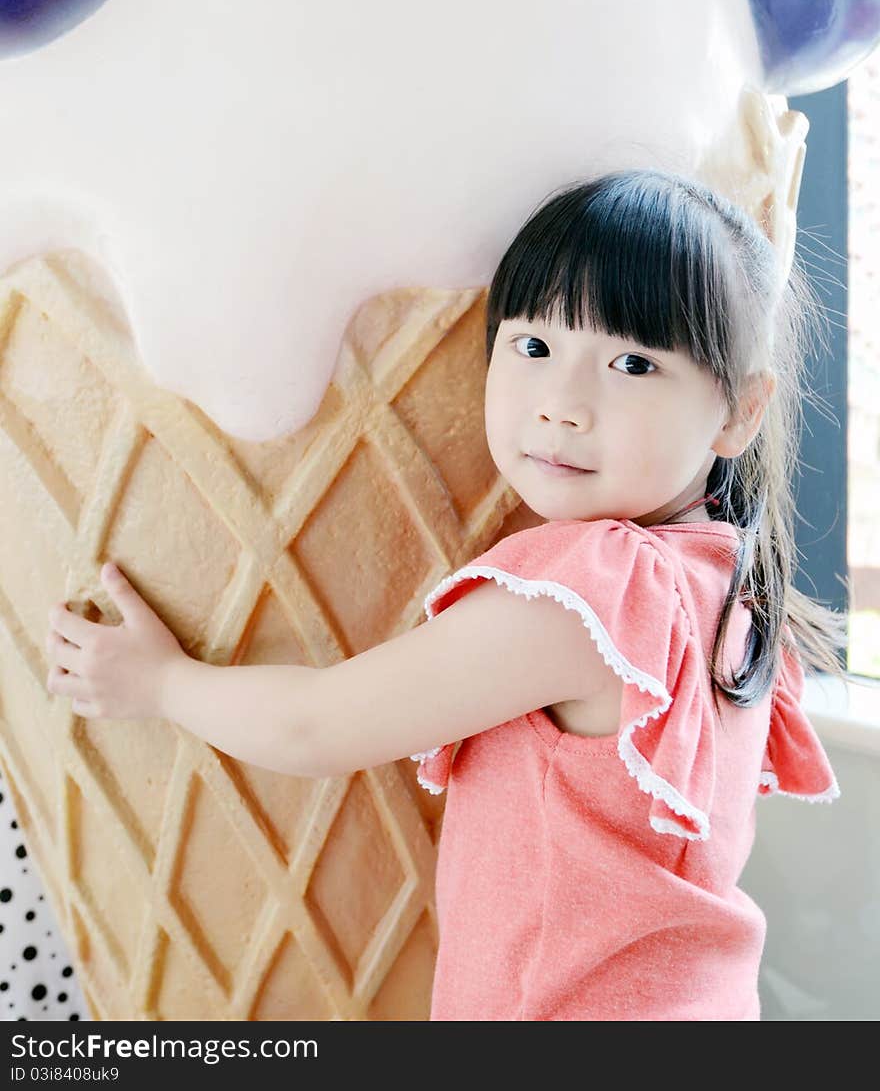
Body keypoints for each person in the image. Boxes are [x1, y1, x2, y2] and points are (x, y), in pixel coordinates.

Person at [45, 168, 845, 1021]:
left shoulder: (594, 591)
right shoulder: (725, 583)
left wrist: (159, 682)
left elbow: (316, 724)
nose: (564, 406)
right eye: (533, 347)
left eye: (632, 362)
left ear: (739, 412)